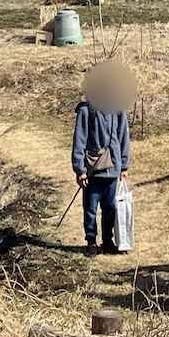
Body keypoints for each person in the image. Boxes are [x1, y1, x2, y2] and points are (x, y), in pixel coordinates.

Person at [71, 98, 130, 257]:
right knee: (90, 209)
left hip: (113, 168)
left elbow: (123, 136)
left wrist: (124, 165)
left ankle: (107, 241)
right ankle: (91, 242)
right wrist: (80, 170)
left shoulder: (118, 108)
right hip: (93, 170)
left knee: (110, 208)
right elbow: (79, 140)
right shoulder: (85, 110)